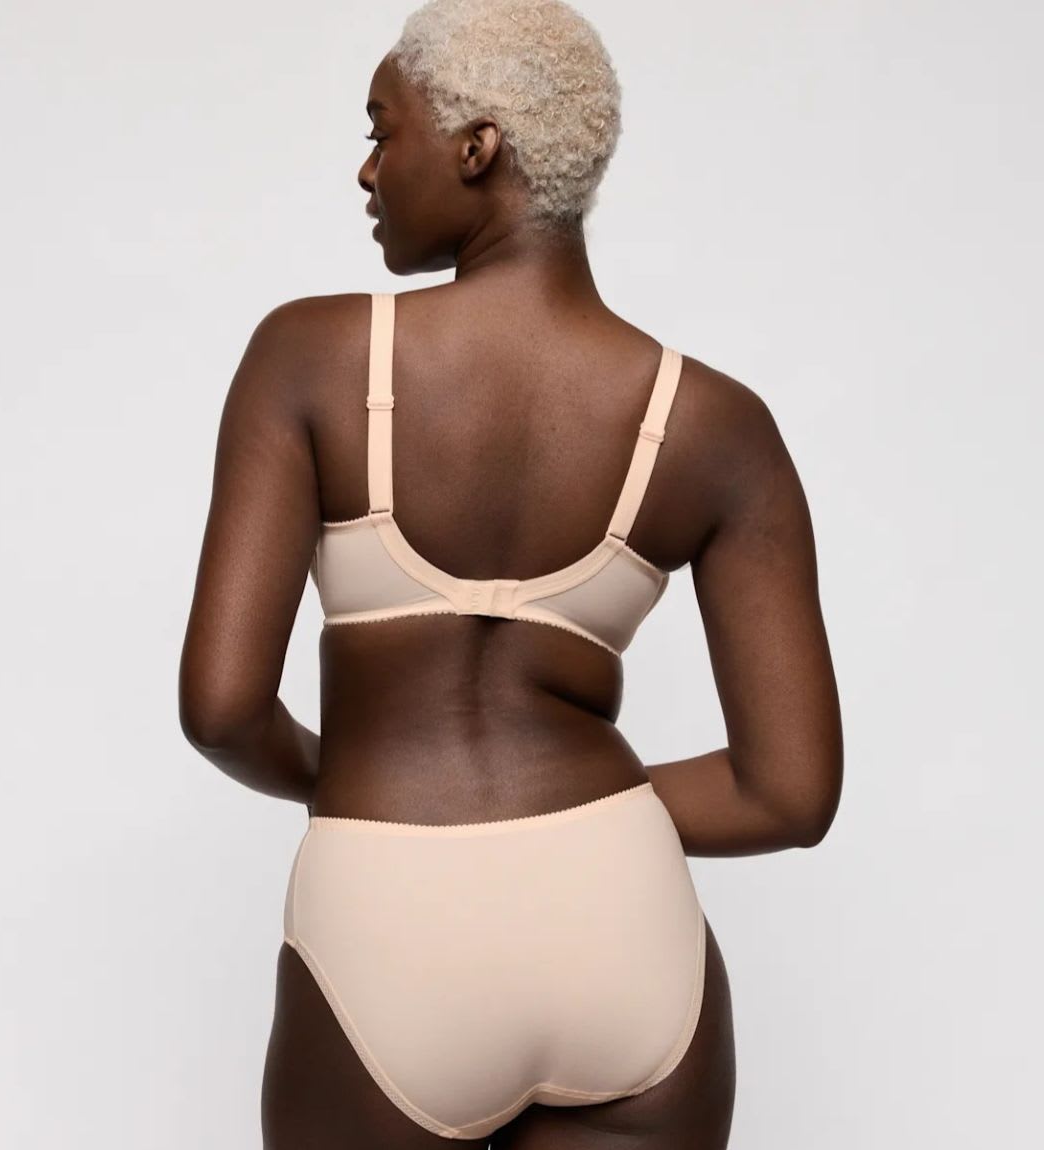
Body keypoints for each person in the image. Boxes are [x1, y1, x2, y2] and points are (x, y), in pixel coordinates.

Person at [178, 0, 843, 1146]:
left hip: (389, 909)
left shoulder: (310, 357)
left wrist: (359, 779)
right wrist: (577, 827)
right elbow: (788, 793)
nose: (367, 169)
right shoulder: (717, 425)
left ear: (476, 147)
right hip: (623, 923)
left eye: (382, 130)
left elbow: (222, 708)